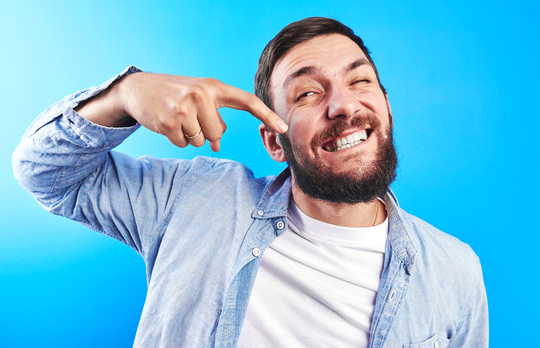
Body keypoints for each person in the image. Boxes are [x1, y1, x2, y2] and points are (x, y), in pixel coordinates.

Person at [13, 17, 488, 347]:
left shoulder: (454, 270)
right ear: (274, 144)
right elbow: (46, 173)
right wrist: (125, 93)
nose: (343, 106)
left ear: (386, 107)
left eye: (360, 82)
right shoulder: (192, 200)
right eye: (307, 92)